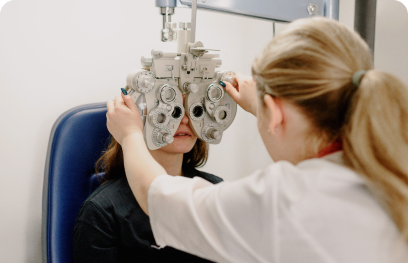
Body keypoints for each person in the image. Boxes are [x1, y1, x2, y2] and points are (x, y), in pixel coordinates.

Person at [106, 17, 408, 263]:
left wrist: (131, 134)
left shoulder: (284, 201)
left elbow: (159, 198)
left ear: (276, 114)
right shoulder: (390, 168)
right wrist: (263, 107)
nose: (183, 119)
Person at [73, 96, 223, 263]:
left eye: (194, 109)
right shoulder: (103, 212)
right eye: (172, 110)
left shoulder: (215, 189)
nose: (185, 119)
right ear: (139, 119)